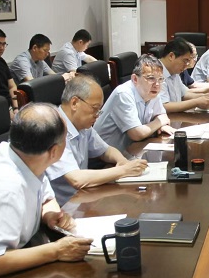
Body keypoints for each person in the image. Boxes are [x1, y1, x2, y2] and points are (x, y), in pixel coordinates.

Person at [0, 103, 93, 278]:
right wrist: (57, 251)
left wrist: (50, 215)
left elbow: (45, 198)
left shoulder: (25, 155)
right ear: (54, 151)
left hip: (25, 251)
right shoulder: (6, 188)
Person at [46, 76, 148, 206]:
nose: (97, 115)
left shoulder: (83, 126)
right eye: (95, 108)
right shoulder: (53, 128)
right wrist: (124, 170)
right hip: (62, 208)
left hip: (83, 198)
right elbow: (76, 179)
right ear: (74, 103)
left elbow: (106, 150)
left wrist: (122, 161)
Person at [94, 54, 176, 152]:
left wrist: (162, 125)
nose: (157, 84)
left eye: (160, 79)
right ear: (135, 79)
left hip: (131, 151)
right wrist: (159, 122)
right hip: (104, 155)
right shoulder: (123, 94)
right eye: (151, 78)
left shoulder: (152, 91)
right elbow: (137, 134)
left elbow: (161, 115)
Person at [159, 38, 209, 112]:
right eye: (185, 60)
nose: (187, 65)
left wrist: (204, 97)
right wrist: (196, 102)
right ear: (171, 56)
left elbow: (184, 94)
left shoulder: (174, 72)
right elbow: (164, 106)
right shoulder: (156, 73)